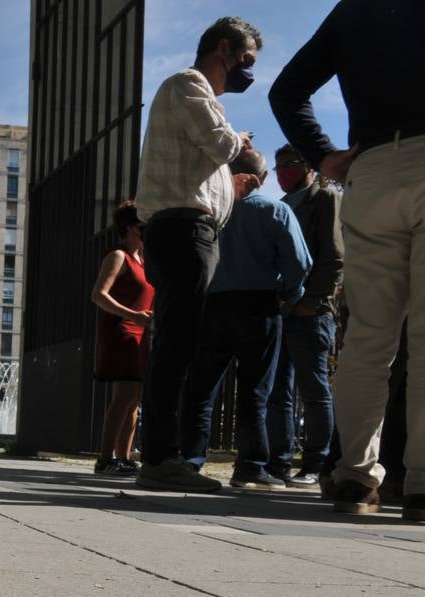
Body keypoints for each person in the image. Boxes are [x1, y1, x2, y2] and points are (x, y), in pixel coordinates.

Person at [269, 0, 425, 520]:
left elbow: (286, 91)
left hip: (371, 168)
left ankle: (355, 476)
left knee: (367, 340)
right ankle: (421, 482)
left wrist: (323, 155)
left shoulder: (355, 9)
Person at [134, 16, 260, 492]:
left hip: (187, 230)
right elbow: (222, 144)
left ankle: (164, 455)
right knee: (177, 345)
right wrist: (241, 139)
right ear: (223, 50)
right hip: (184, 231)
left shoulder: (189, 92)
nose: (248, 70)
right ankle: (162, 458)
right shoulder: (190, 85)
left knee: (178, 343)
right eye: (246, 59)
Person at [178, 149, 312, 490]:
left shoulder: (211, 212)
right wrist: (289, 293)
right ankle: (250, 466)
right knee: (255, 389)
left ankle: (190, 461)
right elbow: (300, 262)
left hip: (213, 304)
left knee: (201, 388)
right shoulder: (275, 210)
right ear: (260, 179)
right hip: (259, 304)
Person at [265, 143, 342, 488]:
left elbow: (333, 256)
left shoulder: (324, 200)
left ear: (309, 167)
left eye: (291, 164)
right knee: (278, 390)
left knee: (314, 389)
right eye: (279, 165)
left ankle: (316, 462)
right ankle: (278, 462)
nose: (283, 171)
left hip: (311, 311)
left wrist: (314, 300)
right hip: (280, 311)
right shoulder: (279, 206)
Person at [90, 200, 154, 475]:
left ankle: (124, 457)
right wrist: (133, 314)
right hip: (122, 330)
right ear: (129, 227)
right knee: (124, 396)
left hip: (140, 332)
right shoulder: (118, 256)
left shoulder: (142, 259)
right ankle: (105, 459)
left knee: (134, 398)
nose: (147, 230)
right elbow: (98, 295)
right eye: (143, 226)